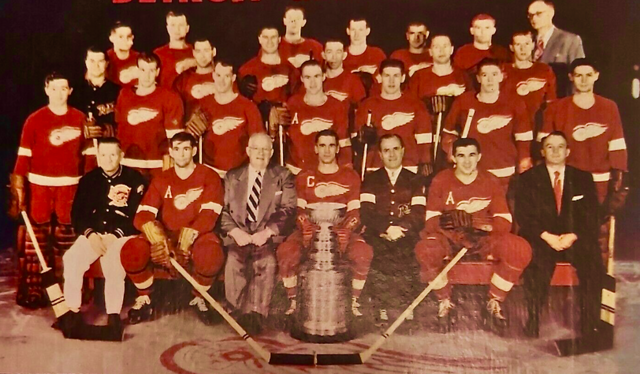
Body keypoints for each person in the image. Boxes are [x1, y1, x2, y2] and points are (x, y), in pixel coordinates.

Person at [414, 138, 532, 334]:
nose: (467, 161)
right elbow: (431, 221)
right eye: (461, 155)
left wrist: (477, 227)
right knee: (425, 249)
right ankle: (445, 303)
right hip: (450, 239)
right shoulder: (441, 180)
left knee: (520, 248)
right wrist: (450, 227)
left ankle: (494, 302)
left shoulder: (490, 180)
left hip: (482, 239)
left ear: (479, 157)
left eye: (471, 155)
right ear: (453, 158)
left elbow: (504, 221)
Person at [120, 132, 225, 325]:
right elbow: (142, 215)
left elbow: (210, 214)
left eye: (186, 149)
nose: (182, 154)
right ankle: (144, 297)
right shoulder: (162, 178)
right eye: (177, 149)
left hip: (197, 234)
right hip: (167, 236)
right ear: (171, 152)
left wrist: (188, 237)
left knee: (211, 255)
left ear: (194, 150)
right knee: (131, 250)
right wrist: (158, 238)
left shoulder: (209, 176)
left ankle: (198, 297)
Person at [9, 72, 87, 309]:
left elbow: (89, 158)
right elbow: (23, 157)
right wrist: (18, 190)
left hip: (71, 186)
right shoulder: (34, 119)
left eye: (64, 88)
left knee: (67, 239)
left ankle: (67, 290)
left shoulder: (80, 118)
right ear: (46, 90)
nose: (59, 93)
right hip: (40, 185)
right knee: (36, 240)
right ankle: (33, 289)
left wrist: (90, 186)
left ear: (70, 91)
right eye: (54, 88)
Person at [276, 130, 373, 317]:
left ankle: (354, 301)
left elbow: (354, 213)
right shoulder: (305, 176)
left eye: (331, 145)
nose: (327, 150)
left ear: (337, 148)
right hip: (311, 228)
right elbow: (299, 211)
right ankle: (293, 301)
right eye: (322, 145)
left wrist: (346, 229)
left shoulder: (350, 176)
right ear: (315, 148)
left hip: (340, 227)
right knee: (286, 251)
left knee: (363, 253)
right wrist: (305, 225)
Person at [516, 131, 603, 339]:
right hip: (543, 238)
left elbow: (592, 215)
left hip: (573, 238)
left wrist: (572, 235)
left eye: (560, 146)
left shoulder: (582, 178)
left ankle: (590, 323)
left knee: (592, 261)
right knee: (535, 262)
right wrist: (547, 236)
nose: (555, 151)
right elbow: (523, 215)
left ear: (568, 151)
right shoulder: (528, 179)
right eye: (550, 147)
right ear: (543, 151)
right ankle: (533, 318)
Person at [62, 137, 145, 334]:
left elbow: (137, 215)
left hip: (122, 234)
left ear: (121, 156)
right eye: (104, 155)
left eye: (113, 155)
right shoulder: (89, 180)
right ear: (98, 157)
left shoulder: (135, 179)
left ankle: (113, 315)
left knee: (112, 261)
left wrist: (115, 235)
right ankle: (72, 311)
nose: (108, 159)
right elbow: (78, 214)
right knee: (71, 259)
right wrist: (90, 235)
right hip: (94, 233)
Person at [220, 133, 297, 334]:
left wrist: (268, 232)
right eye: (256, 149)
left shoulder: (283, 176)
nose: (261, 153)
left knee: (267, 262)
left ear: (272, 152)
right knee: (234, 261)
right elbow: (223, 211)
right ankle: (236, 312)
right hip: (240, 234)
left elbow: (288, 208)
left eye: (265, 149)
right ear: (248, 151)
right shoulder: (232, 177)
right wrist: (236, 232)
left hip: (267, 235)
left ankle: (258, 314)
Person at [537, 59, 628, 205]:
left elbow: (617, 145)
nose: (584, 80)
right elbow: (543, 146)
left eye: (588, 75)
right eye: (579, 75)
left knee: (596, 224)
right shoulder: (556, 108)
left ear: (596, 76)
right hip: (568, 179)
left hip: (600, 180)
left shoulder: (609, 107)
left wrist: (619, 176)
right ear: (571, 77)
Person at [361, 134, 425, 325]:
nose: (391, 154)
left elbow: (419, 212)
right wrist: (386, 228)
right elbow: (366, 212)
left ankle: (408, 307)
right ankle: (381, 307)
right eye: (386, 150)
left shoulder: (415, 180)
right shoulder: (370, 180)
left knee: (407, 255)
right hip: (378, 232)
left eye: (395, 149)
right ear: (380, 154)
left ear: (403, 151)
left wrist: (402, 228)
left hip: (406, 233)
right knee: (380, 255)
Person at [442, 59, 533, 191]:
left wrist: (523, 160)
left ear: (501, 76)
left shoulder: (514, 102)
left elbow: (523, 138)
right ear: (478, 78)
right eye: (485, 75)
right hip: (471, 169)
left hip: (503, 169)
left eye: (494, 75)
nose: (490, 80)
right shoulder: (464, 101)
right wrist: (451, 148)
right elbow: (448, 131)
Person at [185, 61, 264, 178]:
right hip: (210, 173)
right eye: (218, 75)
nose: (221, 81)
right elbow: (187, 140)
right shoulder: (202, 104)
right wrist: (190, 133)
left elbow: (259, 142)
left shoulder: (248, 106)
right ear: (213, 75)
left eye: (226, 76)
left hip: (240, 175)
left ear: (233, 78)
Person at [355, 59, 433, 175]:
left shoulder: (416, 105)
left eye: (396, 76)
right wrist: (361, 139)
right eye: (387, 76)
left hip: (408, 167)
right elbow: (357, 143)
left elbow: (424, 140)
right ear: (380, 77)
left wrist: (425, 162)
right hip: (375, 168)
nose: (391, 81)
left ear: (402, 78)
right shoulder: (367, 105)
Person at [114, 53, 184, 180]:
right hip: (127, 163)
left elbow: (175, 138)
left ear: (157, 72)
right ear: (137, 71)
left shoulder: (169, 97)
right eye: (143, 70)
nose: (147, 75)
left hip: (157, 166)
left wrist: (172, 161)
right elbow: (120, 130)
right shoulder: (124, 95)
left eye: (151, 70)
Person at [282, 60, 351, 175]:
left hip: (325, 171)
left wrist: (346, 170)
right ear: (302, 79)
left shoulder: (336, 106)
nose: (312, 82)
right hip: (296, 171)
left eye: (316, 76)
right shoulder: (293, 103)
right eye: (308, 77)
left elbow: (343, 143)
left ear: (323, 77)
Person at [238, 26, 299, 121]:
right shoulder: (247, 69)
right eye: (265, 37)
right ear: (259, 39)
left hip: (284, 122)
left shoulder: (290, 69)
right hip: (259, 122)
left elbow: (298, 98)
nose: (269, 41)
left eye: (273, 37)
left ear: (279, 39)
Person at [528, 0, 585, 97]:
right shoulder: (527, 41)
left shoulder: (569, 40)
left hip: (559, 103)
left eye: (538, 14)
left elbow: (579, 76)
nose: (534, 18)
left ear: (551, 13)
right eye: (530, 15)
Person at [71, 46, 120, 156]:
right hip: (81, 152)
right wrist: (81, 128)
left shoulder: (118, 91)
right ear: (86, 62)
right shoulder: (75, 91)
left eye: (100, 61)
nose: (96, 65)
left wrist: (107, 129)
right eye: (92, 61)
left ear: (107, 63)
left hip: (109, 152)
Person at [502, 31, 556, 130]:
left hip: (536, 127)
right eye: (518, 44)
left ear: (532, 45)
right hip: (509, 128)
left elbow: (551, 104)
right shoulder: (502, 70)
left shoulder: (544, 70)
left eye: (526, 44)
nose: (523, 49)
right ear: (511, 47)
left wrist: (546, 129)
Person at [172, 37, 217, 118]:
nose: (202, 56)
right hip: (190, 129)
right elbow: (174, 110)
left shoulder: (224, 76)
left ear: (213, 52)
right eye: (198, 51)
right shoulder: (183, 80)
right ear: (193, 53)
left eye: (206, 50)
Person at [343, 18, 387, 95]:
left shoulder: (377, 54)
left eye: (360, 30)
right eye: (353, 30)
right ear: (348, 31)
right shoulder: (340, 55)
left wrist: (372, 75)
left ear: (367, 31)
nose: (357, 35)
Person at [154, 11, 196, 88]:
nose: (177, 29)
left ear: (187, 28)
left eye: (181, 25)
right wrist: (177, 71)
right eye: (173, 25)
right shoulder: (158, 54)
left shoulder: (197, 52)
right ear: (167, 28)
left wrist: (195, 62)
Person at [321, 39, 366, 107]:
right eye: (329, 52)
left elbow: (361, 109)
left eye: (338, 52)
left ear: (344, 55)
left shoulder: (353, 81)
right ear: (323, 55)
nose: (334, 57)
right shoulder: (315, 78)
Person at [107, 22, 139, 87]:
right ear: (111, 38)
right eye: (121, 37)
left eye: (128, 36)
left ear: (132, 38)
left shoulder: (139, 58)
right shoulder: (104, 58)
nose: (125, 40)